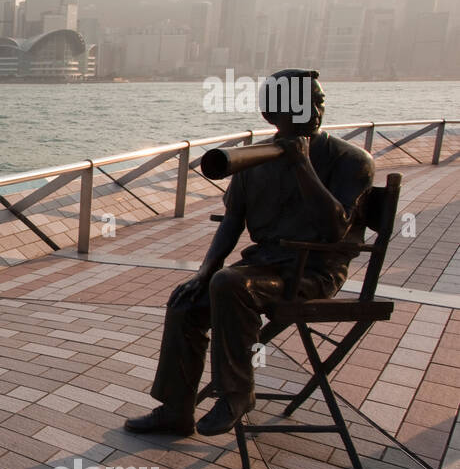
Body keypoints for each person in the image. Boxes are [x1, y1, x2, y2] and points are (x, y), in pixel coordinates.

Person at [125, 70, 374, 438]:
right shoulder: (253, 159)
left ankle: (237, 394)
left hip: (314, 271)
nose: (314, 110)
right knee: (186, 301)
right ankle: (176, 410)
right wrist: (204, 272)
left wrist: (302, 164)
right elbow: (232, 221)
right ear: (270, 114)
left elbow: (334, 230)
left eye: (318, 101)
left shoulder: (351, 160)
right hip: (262, 268)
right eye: (300, 103)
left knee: (230, 284)